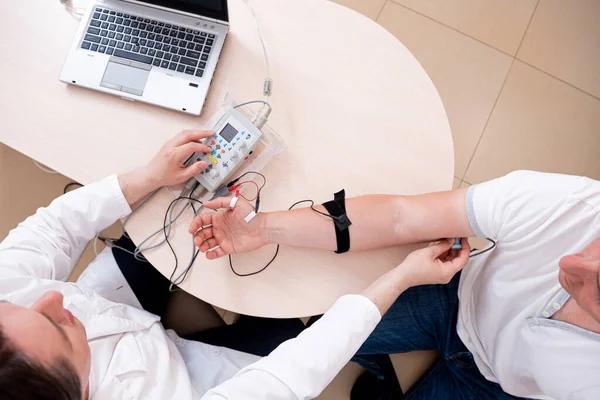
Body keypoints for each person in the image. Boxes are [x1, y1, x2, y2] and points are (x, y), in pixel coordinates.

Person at [0, 130, 472, 400]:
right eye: (56, 325)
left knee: (163, 213)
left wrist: (150, 177)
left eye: (19, 306)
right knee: (306, 312)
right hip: (194, 377)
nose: (55, 295)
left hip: (115, 305)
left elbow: (52, 231)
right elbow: (290, 376)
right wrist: (402, 276)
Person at [190, 170, 600, 399]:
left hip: (495, 388)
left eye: (597, 290)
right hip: (454, 296)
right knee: (314, 326)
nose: (571, 262)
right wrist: (263, 227)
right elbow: (400, 216)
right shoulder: (570, 204)